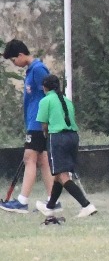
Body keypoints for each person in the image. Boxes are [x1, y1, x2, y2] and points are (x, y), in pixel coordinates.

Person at [0, 40, 55, 213]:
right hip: (33, 121)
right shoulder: (31, 71)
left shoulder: (38, 70)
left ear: (21, 55)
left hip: (39, 123)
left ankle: (22, 201)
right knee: (42, 160)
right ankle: (52, 200)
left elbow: (50, 94)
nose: (14, 64)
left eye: (13, 60)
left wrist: (47, 121)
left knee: (29, 158)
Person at [34, 74, 96, 218]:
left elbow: (44, 124)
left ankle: (86, 205)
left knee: (62, 175)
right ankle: (50, 206)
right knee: (59, 174)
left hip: (57, 137)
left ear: (45, 87)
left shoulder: (45, 101)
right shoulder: (67, 101)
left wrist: (45, 136)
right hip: (73, 137)